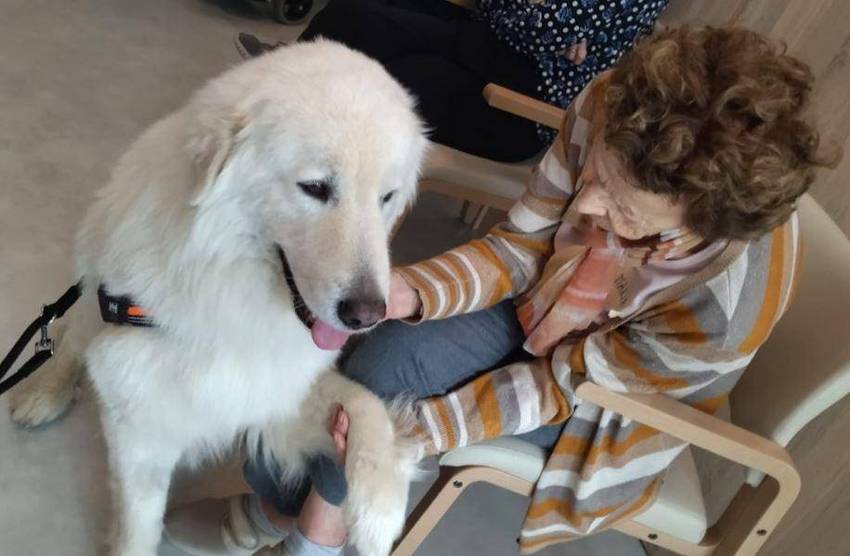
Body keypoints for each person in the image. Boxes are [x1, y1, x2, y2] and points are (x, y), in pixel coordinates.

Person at [165, 26, 839, 556]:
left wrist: (412, 434)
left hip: (615, 404)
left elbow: (571, 385)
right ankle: (284, 511)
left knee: (382, 408)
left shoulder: (725, 308)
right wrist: (412, 291)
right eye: (596, 176)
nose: (589, 207)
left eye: (625, 212)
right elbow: (524, 246)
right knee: (375, 359)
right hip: (543, 303)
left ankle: (301, 531)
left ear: (697, 223)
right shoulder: (612, 105)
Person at [235, 0, 669, 162]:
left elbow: (541, 30)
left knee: (396, 76)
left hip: (521, 105)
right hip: (488, 43)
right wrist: (536, 14)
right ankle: (281, 86)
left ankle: (287, 130)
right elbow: (538, 25)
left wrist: (538, 18)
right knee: (358, 15)